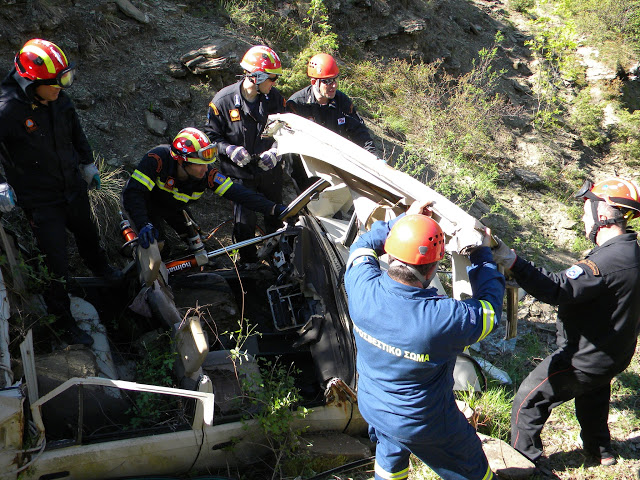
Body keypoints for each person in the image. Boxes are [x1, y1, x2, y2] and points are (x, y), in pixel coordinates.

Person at [344, 200, 505, 480]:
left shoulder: (360, 287)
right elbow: (490, 309)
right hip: (426, 422)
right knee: (472, 471)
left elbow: (362, 245)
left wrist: (403, 221)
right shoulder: (443, 319)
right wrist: (481, 253)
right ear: (432, 270)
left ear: (390, 253)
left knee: (390, 458)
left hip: (375, 405)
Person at [492, 177, 640, 467]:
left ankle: (526, 463)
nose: (583, 219)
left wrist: (512, 261)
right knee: (594, 394)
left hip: (581, 359)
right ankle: (600, 450)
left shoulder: (606, 262)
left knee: (528, 400)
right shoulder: (632, 253)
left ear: (602, 215)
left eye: (586, 212)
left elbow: (556, 288)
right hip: (612, 355)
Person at [0, 38, 122, 347]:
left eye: (65, 80)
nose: (61, 88)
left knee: (88, 235)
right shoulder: (8, 111)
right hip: (41, 201)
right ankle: (65, 324)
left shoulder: (57, 98)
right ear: (32, 81)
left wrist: (88, 163)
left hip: (72, 186)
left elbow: (75, 131)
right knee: (56, 264)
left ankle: (104, 273)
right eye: (55, 83)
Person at [122, 127, 286, 255]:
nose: (205, 169)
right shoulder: (157, 159)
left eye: (207, 163)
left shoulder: (206, 174)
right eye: (199, 164)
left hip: (174, 206)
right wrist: (143, 223)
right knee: (158, 247)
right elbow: (134, 194)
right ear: (182, 161)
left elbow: (239, 193)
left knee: (197, 244)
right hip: (144, 204)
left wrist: (274, 208)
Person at [203, 45, 286, 264]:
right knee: (245, 224)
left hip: (269, 172)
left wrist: (276, 151)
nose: (274, 83)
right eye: (272, 78)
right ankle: (248, 263)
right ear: (257, 76)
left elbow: (288, 130)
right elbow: (210, 137)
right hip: (239, 176)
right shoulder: (223, 101)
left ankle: (280, 260)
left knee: (276, 217)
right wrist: (229, 150)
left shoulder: (275, 99)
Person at [286, 53, 376, 154]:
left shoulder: (342, 101)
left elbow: (360, 133)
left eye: (335, 80)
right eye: (327, 81)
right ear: (313, 82)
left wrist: (373, 156)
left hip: (334, 158)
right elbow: (286, 139)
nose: (333, 85)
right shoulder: (297, 104)